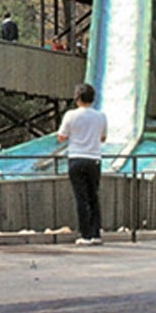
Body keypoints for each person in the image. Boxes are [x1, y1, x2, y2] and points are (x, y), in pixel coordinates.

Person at [57, 83, 107, 245]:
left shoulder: (70, 115)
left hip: (76, 158)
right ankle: (96, 233)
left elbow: (61, 137)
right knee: (94, 197)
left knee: (81, 198)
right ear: (92, 99)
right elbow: (103, 138)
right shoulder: (101, 116)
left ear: (77, 98)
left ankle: (84, 234)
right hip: (94, 159)